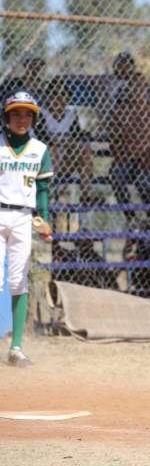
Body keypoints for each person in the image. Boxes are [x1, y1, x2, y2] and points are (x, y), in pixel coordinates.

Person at [0, 91, 54, 366]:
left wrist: (44, 218)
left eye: (27, 114)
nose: (22, 119)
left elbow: (43, 188)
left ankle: (16, 347)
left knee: (19, 280)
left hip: (23, 217)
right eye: (16, 113)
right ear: (6, 116)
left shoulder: (40, 149)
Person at [106, 73, 150, 227]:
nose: (137, 91)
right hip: (126, 158)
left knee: (142, 179)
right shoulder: (121, 111)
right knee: (116, 175)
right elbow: (114, 138)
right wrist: (120, 153)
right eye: (133, 88)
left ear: (146, 90)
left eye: (140, 87)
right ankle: (131, 216)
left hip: (149, 158)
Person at [36, 79, 98, 204]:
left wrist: (74, 140)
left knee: (85, 152)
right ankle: (45, 196)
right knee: (51, 149)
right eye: (54, 95)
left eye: (63, 95)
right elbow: (42, 138)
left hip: (65, 162)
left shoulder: (70, 114)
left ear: (68, 99)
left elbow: (78, 135)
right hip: (44, 163)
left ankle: (86, 195)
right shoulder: (41, 113)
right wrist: (65, 142)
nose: (59, 99)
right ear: (48, 98)